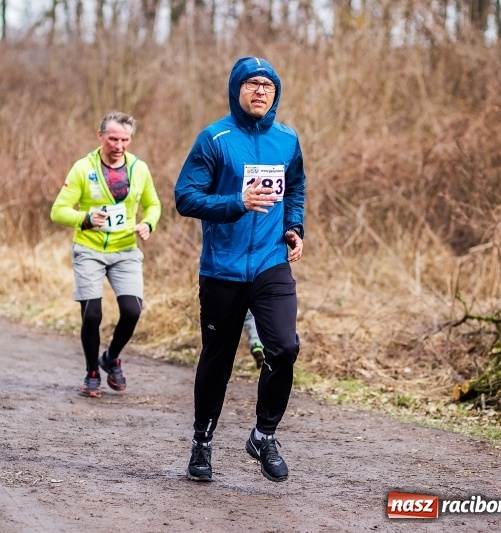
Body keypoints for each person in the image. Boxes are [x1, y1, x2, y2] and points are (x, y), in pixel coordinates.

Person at [174, 56, 305, 483]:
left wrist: (293, 226)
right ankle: (203, 442)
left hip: (271, 262)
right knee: (218, 359)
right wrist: (236, 204)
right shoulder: (215, 138)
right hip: (222, 268)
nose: (261, 91)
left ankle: (264, 435)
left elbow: (296, 187)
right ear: (237, 90)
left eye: (268, 86)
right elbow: (185, 197)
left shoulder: (287, 139)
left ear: (276, 94)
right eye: (252, 84)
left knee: (284, 347)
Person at [51, 111, 161, 398]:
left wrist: (148, 224)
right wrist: (85, 217)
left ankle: (111, 357)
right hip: (89, 248)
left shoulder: (139, 169)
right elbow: (58, 210)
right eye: (113, 138)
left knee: (132, 310)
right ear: (100, 136)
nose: (119, 145)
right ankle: (91, 373)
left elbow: (153, 205)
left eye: (125, 139)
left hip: (125, 249)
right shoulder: (82, 168)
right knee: (92, 314)